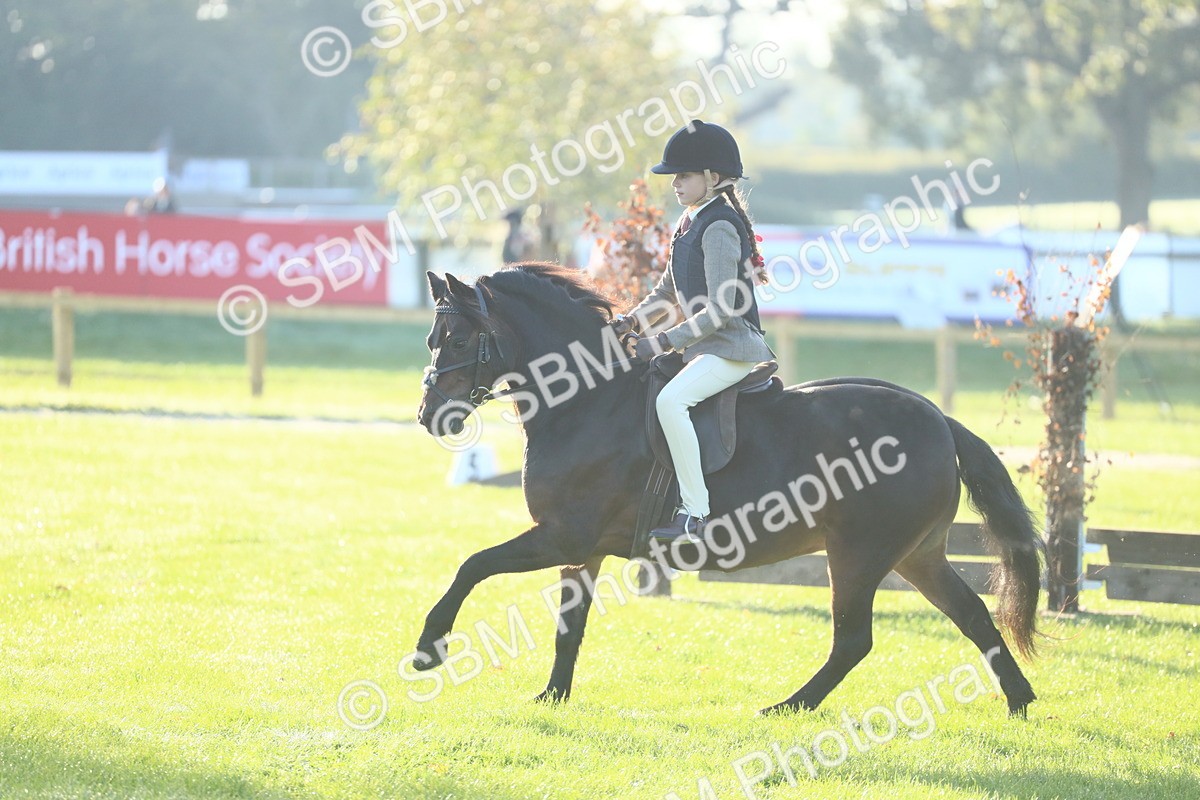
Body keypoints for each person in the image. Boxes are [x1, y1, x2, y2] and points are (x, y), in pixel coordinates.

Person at [612, 120, 775, 544]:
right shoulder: (690, 221)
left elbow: (721, 309)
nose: (675, 184)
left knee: (670, 403)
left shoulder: (719, 226)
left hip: (732, 349)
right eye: (674, 177)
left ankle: (695, 514)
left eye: (683, 175)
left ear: (713, 178)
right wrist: (630, 321)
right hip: (705, 349)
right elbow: (667, 292)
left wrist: (662, 341)